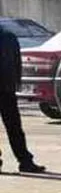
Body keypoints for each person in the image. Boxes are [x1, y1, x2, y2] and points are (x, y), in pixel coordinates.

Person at [0, 27, 45, 174]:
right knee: (15, 127)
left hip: (7, 88)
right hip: (7, 87)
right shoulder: (9, 36)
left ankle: (25, 161)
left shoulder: (9, 36)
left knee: (15, 127)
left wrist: (16, 82)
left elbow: (16, 61)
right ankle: (25, 161)